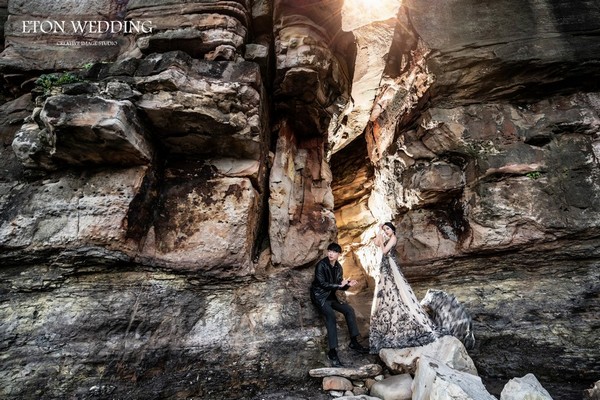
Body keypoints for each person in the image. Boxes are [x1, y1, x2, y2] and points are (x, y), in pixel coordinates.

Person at [369, 222, 441, 354]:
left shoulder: (393, 238)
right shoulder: (386, 238)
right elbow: (376, 243)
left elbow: (384, 251)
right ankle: (388, 322)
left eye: (388, 229)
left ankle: (403, 320)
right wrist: (378, 231)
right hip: (385, 266)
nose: (386, 231)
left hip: (391, 266)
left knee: (397, 292)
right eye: (385, 229)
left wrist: (381, 237)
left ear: (393, 230)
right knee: (386, 293)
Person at [310, 242, 369, 367]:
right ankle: (332, 352)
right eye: (330, 251)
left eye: (334, 252)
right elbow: (322, 284)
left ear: (338, 254)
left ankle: (354, 342)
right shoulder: (321, 265)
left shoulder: (338, 267)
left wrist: (348, 284)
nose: (331, 253)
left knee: (349, 310)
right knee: (331, 316)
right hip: (320, 297)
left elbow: (340, 285)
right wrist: (339, 285)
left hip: (330, 297)